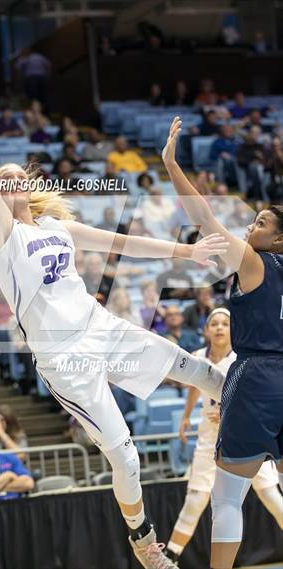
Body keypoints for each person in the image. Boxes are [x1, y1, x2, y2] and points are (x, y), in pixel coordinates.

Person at [0, 49, 229, 568]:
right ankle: (144, 541)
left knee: (204, 373)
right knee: (125, 453)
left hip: (103, 328)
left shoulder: (56, 227)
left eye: (13, 176)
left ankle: (263, 423)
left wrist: (184, 251)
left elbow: (122, 242)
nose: (5, 181)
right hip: (64, 359)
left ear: (27, 185)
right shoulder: (2, 238)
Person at [163, 116, 283, 569]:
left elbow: (203, 218)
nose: (253, 224)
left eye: (262, 222)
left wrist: (172, 166)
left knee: (227, 495)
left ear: (279, 239)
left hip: (257, 378)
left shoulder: (255, 262)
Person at [165, 308, 283, 564]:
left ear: (234, 330)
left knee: (271, 496)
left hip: (244, 435)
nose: (219, 328)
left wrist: (232, 412)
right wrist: (186, 416)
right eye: (214, 324)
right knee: (195, 500)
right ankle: (169, 557)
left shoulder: (242, 360)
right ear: (206, 330)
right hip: (209, 441)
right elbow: (197, 388)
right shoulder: (197, 357)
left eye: (225, 323)